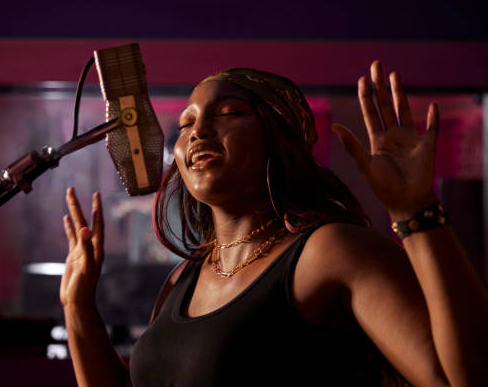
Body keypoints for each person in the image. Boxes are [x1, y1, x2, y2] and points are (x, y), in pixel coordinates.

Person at [59, 61, 488, 386]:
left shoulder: (329, 251)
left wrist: (416, 212)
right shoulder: (182, 281)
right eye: (186, 122)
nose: (198, 130)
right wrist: (78, 309)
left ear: (279, 140)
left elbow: (458, 380)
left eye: (227, 113)